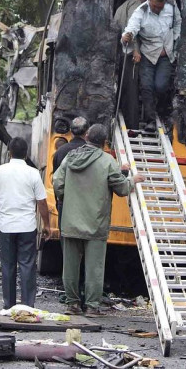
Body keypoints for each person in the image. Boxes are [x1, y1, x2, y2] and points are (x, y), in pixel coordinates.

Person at [52, 124, 144, 316]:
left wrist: (66, 199)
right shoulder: (107, 161)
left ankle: (72, 304)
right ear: (105, 142)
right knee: (94, 268)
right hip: (96, 223)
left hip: (70, 221)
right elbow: (121, 188)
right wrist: (132, 180)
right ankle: (92, 307)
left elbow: (57, 182)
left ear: (86, 136)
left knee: (70, 266)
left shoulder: (71, 157)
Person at [0, 137, 51, 310]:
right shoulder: (33, 173)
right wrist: (46, 225)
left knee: (8, 266)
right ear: (26, 154)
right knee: (27, 266)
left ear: (9, 152)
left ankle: (9, 306)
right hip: (27, 227)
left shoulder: (0, 171)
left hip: (7, 227)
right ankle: (27, 306)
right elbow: (41, 202)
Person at [122, 0, 182, 132]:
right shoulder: (140, 12)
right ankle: (150, 121)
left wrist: (175, 40)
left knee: (160, 86)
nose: (157, 10)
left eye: (160, 7)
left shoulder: (172, 5)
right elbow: (131, 29)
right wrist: (127, 36)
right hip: (148, 54)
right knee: (146, 87)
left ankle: (160, 110)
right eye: (154, 6)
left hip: (166, 55)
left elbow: (178, 24)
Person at [113, 0, 146, 128]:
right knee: (132, 90)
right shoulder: (136, 5)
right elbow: (131, 30)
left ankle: (125, 119)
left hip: (120, 53)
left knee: (125, 88)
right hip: (130, 53)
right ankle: (133, 124)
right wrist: (136, 49)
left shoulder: (121, 7)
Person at [52, 116, 89, 225]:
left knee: (66, 239)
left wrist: (58, 203)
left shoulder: (60, 152)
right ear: (87, 132)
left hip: (65, 203)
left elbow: (56, 180)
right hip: (86, 205)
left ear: (71, 131)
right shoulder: (93, 153)